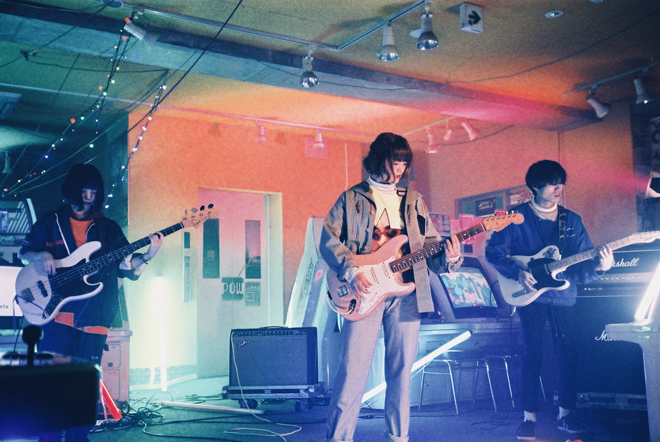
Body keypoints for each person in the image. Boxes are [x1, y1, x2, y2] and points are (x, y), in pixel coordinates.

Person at [321, 132, 462, 442]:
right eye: (393, 162)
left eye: (403, 163)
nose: (398, 169)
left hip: (408, 291)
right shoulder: (352, 197)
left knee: (401, 371)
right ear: (377, 159)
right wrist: (351, 271)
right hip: (363, 289)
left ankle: (398, 437)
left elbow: (430, 247)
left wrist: (450, 257)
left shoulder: (414, 200)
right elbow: (328, 240)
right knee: (353, 370)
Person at [18, 163, 164, 442]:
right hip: (56, 314)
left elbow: (125, 266)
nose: (88, 197)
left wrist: (148, 255)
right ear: (72, 190)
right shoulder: (50, 221)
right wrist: (42, 256)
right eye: (83, 190)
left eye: (93, 192)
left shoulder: (107, 228)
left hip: (95, 315)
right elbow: (25, 252)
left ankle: (78, 438)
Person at [485, 160, 613, 441]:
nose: (559, 188)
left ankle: (566, 413)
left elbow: (582, 267)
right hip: (529, 294)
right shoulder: (515, 217)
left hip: (564, 295)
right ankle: (528, 418)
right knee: (532, 353)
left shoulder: (572, 220)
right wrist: (517, 273)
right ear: (535, 186)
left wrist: (600, 267)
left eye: (561, 182)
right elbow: (493, 253)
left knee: (568, 353)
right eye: (552, 183)